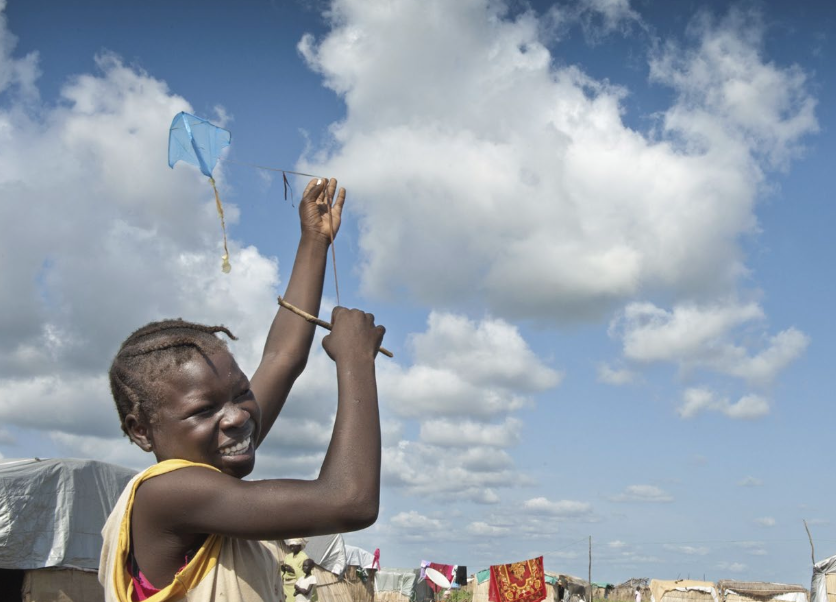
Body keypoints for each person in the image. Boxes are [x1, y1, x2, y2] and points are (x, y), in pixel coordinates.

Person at [98, 178, 385, 602]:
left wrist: (314, 241)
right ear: (140, 430)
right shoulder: (169, 493)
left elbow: (281, 360)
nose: (236, 416)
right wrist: (357, 362)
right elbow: (351, 501)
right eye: (202, 410)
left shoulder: (212, 466)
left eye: (240, 393)